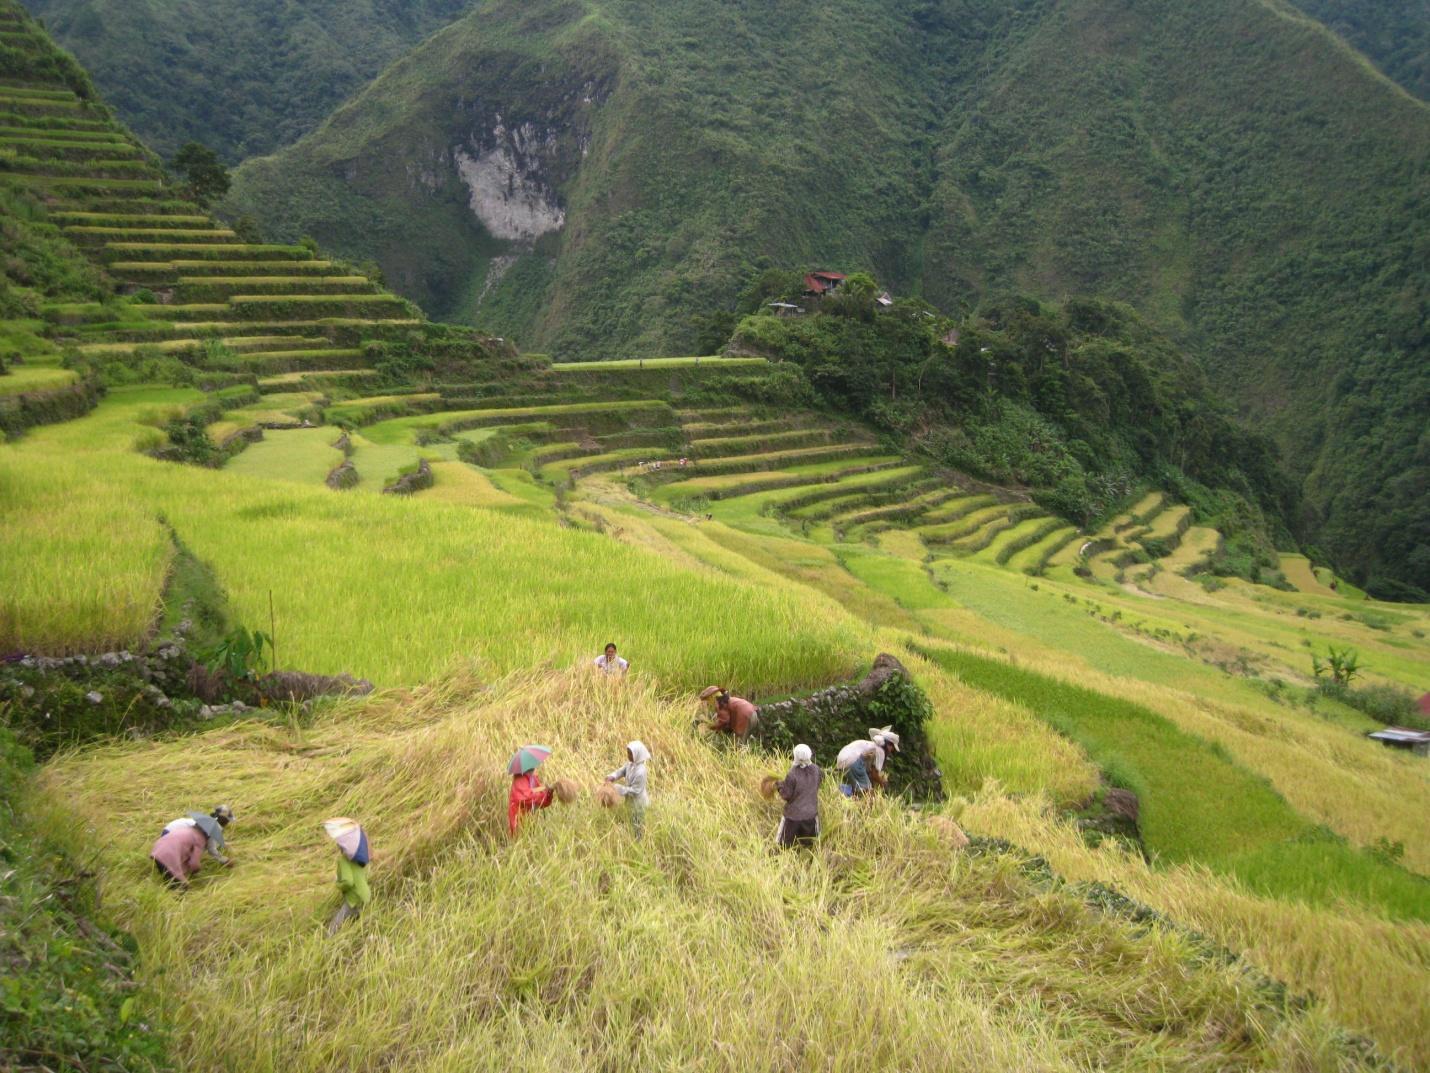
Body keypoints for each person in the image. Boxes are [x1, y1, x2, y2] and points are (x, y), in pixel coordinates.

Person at [150, 805, 234, 888]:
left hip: (163, 842)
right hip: (171, 843)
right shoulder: (207, 832)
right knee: (178, 877)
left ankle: (171, 880)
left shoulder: (202, 822)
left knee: (169, 872)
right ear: (224, 820)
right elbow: (210, 850)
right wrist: (196, 869)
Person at [322, 817, 370, 935]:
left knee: (334, 927)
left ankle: (327, 942)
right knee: (356, 926)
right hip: (365, 896)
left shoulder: (343, 861)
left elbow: (348, 882)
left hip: (355, 898)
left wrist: (338, 883)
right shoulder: (358, 860)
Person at [775, 744, 821, 848]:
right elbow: (817, 784)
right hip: (811, 816)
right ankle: (807, 864)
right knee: (809, 847)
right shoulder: (816, 770)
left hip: (793, 817)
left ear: (795, 756)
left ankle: (780, 863)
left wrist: (779, 786)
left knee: (783, 846)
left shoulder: (792, 774)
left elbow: (786, 795)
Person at [835, 726, 900, 797]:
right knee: (869, 794)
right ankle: (841, 790)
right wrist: (882, 782)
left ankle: (841, 790)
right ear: (888, 745)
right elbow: (874, 774)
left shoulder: (870, 746)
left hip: (843, 761)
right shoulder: (880, 751)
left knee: (859, 790)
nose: (891, 751)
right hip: (854, 762)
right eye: (892, 748)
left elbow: (869, 772)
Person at [605, 740, 651, 839]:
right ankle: (632, 838)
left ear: (637, 754)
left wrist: (617, 788)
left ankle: (639, 842)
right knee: (630, 820)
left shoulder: (641, 772)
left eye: (630, 754)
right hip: (630, 802)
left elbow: (635, 791)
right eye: (628, 753)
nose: (628, 755)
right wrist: (612, 777)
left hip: (638, 803)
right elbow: (622, 771)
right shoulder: (630, 764)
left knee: (637, 823)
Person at [508, 767, 555, 835]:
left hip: (530, 817)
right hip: (518, 816)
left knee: (529, 836)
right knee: (518, 837)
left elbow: (542, 801)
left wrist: (549, 793)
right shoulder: (520, 779)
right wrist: (542, 792)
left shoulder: (533, 778)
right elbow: (526, 798)